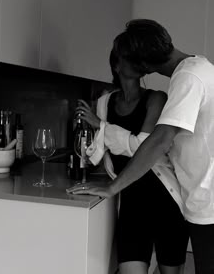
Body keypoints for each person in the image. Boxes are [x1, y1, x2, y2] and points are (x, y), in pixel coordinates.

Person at [69, 19, 214, 274]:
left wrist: (112, 187)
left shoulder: (188, 77)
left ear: (144, 64)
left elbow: (159, 140)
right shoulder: (195, 69)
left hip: (207, 201)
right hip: (199, 200)